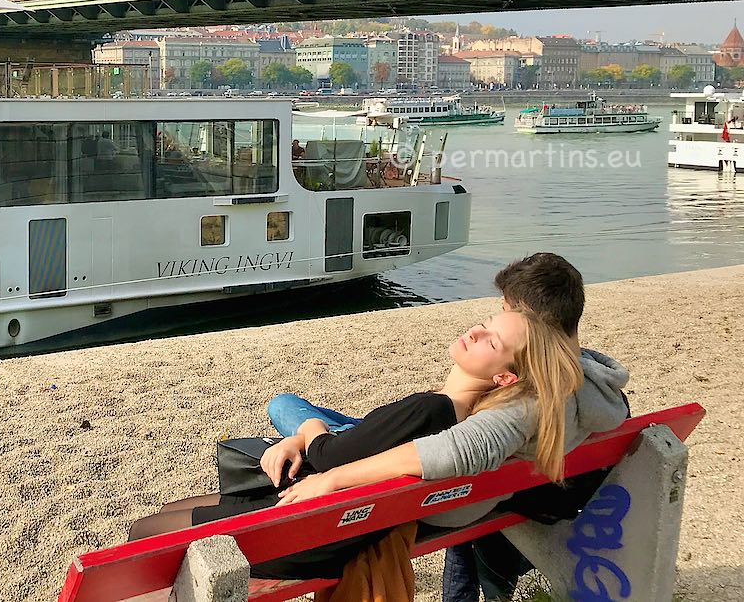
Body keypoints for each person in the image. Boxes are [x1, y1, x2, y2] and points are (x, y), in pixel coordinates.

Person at [127, 308, 593, 581]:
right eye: (484, 323)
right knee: (173, 513)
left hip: (310, 530)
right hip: (331, 521)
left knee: (144, 535)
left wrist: (307, 428)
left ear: (504, 377)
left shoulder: (432, 410)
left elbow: (330, 456)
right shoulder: (466, 417)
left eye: (491, 339)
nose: (474, 331)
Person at [265, 253, 629, 602]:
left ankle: (317, 430)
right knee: (335, 422)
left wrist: (328, 468)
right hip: (476, 489)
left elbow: (453, 450)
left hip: (440, 488)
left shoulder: (534, 400)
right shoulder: (596, 392)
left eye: (506, 313)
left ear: (535, 324)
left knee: (287, 408)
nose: (497, 319)